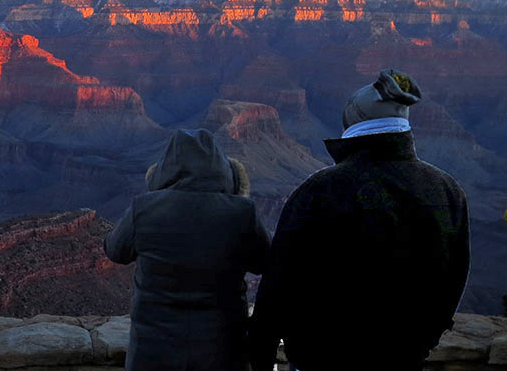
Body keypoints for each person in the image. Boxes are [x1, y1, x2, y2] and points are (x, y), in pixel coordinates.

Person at [249, 69, 471, 371]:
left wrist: (260, 356)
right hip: (405, 358)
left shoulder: (321, 189)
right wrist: (424, 342)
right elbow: (454, 278)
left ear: (352, 121)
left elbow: (280, 283)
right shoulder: (447, 190)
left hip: (323, 358)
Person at [104, 128, 270, 371]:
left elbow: (114, 250)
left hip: (153, 355)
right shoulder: (243, 213)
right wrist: (240, 198)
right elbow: (264, 261)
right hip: (222, 354)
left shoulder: (144, 209)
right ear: (224, 170)